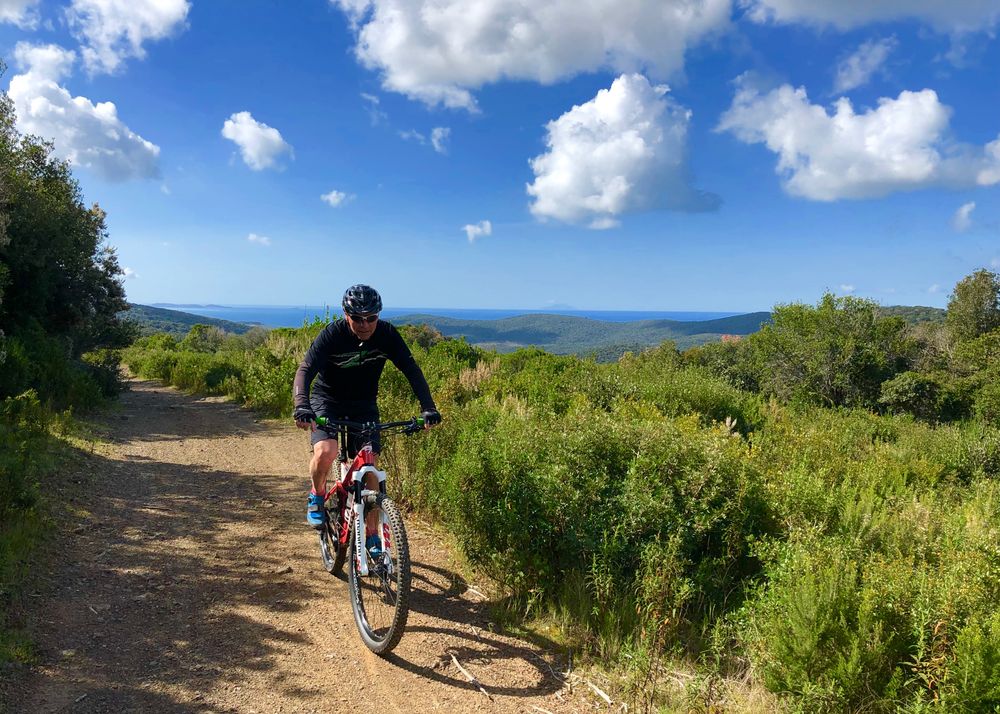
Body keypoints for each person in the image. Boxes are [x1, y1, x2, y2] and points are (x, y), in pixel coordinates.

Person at [292, 284, 441, 555]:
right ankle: (316, 495)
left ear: (378, 316)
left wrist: (428, 408)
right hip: (328, 401)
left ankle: (372, 536)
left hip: (364, 405)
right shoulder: (332, 334)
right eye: (357, 318)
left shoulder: (387, 335)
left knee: (370, 471)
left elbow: (411, 369)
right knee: (327, 451)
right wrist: (302, 406)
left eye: (371, 317)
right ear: (346, 314)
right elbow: (306, 369)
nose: (365, 324)